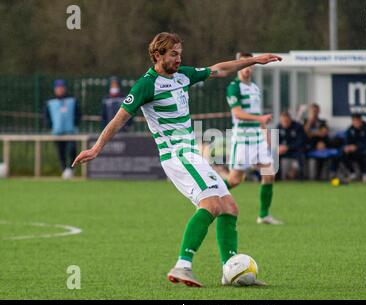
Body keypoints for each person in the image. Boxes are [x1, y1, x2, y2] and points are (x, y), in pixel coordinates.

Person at [72, 32, 282, 287]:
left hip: (191, 153)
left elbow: (219, 70)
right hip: (176, 155)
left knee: (230, 207)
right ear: (157, 55)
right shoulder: (146, 85)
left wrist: (254, 60)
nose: (179, 59)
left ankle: (230, 271)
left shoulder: (183, 75)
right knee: (212, 205)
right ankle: (183, 265)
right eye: (173, 54)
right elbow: (119, 119)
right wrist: (96, 148)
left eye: (180, 53)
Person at [223, 52, 283, 225]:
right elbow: (237, 113)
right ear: (237, 65)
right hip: (242, 138)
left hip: (257, 137)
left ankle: (263, 215)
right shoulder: (234, 87)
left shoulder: (255, 88)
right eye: (243, 64)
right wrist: (260, 119)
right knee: (234, 181)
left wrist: (266, 136)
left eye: (249, 65)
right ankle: (206, 196)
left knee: (269, 173)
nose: (246, 68)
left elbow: (258, 115)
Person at [45, 79, 81, 179]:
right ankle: (64, 169)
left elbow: (78, 114)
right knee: (61, 152)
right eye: (58, 88)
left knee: (72, 150)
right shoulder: (50, 101)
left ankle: (72, 169)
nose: (60, 89)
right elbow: (46, 116)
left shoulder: (72, 99)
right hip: (57, 132)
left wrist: (75, 124)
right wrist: (50, 126)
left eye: (61, 87)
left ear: (64, 88)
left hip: (71, 131)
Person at [341, 114, 366, 182]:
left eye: (357, 121)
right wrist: (347, 147)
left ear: (360, 120)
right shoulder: (350, 129)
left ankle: (365, 174)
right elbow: (346, 141)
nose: (356, 123)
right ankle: (352, 173)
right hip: (354, 152)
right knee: (343, 152)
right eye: (354, 121)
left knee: (365, 152)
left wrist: (357, 147)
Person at [277, 111, 307, 180]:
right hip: (283, 150)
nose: (285, 123)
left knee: (301, 154)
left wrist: (288, 147)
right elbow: (274, 141)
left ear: (290, 119)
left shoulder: (298, 127)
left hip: (295, 150)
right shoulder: (278, 127)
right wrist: (278, 147)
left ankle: (301, 177)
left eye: (287, 121)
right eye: (283, 121)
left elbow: (301, 141)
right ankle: (277, 176)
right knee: (275, 154)